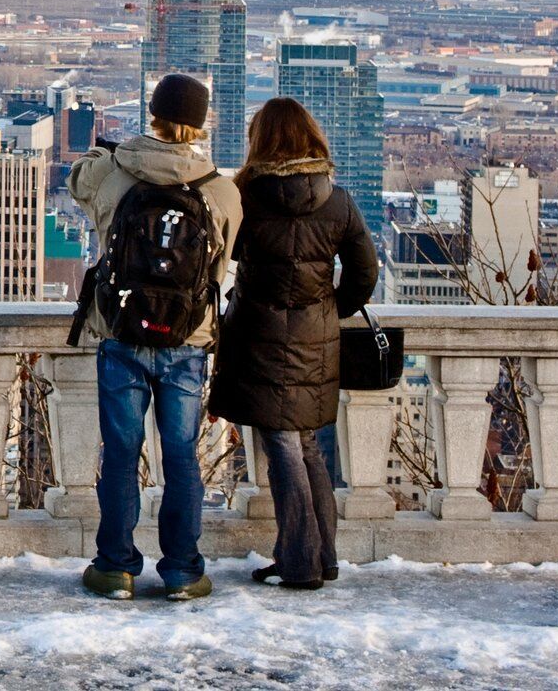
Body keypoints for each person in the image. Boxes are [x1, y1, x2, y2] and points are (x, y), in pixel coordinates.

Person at [68, 73, 242, 601]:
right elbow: (224, 260)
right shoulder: (221, 189)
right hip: (188, 341)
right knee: (183, 455)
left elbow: (77, 180)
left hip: (121, 331)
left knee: (121, 452)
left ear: (152, 112)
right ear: (202, 121)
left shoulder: (112, 172)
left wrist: (115, 152)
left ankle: (116, 566)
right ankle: (184, 571)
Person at [208, 97, 378, 590]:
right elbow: (365, 272)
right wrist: (329, 309)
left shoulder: (247, 198)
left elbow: (229, 253)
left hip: (259, 336)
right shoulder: (338, 200)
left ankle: (300, 563)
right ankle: (323, 557)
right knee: (307, 447)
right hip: (316, 338)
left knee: (283, 446)